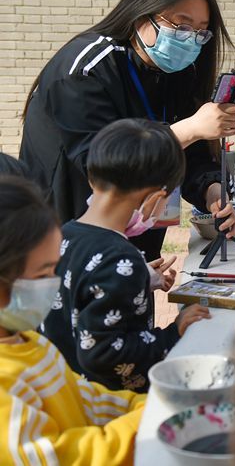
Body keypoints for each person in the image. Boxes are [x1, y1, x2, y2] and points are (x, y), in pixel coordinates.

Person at [20, 0, 235, 261]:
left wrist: (211, 191)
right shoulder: (86, 68)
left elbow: (190, 155)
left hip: (136, 241)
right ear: (141, 16)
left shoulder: (177, 71)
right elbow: (99, 165)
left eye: (201, 32)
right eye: (181, 26)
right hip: (66, 243)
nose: (190, 40)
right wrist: (189, 128)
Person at [41, 119, 211, 392]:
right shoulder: (121, 260)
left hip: (64, 388)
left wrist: (141, 278)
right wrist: (172, 332)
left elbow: (82, 295)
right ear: (155, 198)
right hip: (104, 404)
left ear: (91, 176)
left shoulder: (66, 233)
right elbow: (105, 353)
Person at [0, 175, 145, 465]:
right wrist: (146, 423)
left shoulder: (33, 343)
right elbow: (59, 457)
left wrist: (156, 405)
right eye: (42, 275)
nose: (52, 284)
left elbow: (86, 399)